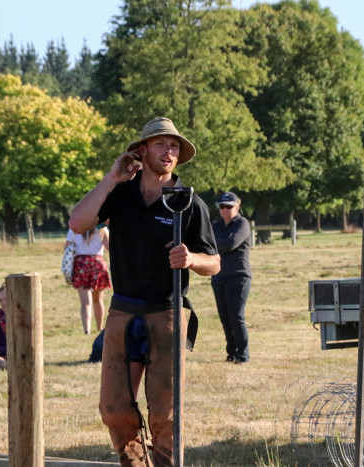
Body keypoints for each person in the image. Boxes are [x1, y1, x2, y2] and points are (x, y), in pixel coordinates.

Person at [69, 117, 220, 467]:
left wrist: (192, 258)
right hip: (123, 311)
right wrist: (111, 178)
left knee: (166, 413)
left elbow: (215, 263)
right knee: (112, 407)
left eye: (175, 146)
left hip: (167, 311)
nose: (169, 151)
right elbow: (78, 222)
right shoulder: (120, 193)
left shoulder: (189, 202)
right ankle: (136, 464)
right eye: (160, 144)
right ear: (142, 150)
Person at [211, 191, 252, 364]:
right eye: (222, 206)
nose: (225, 209)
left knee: (236, 316)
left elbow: (230, 243)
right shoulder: (216, 225)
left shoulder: (242, 224)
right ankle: (232, 353)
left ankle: (243, 356)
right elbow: (206, 242)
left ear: (237, 207)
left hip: (238, 276)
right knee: (225, 318)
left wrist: (214, 243)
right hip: (218, 276)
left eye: (229, 206)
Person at [64, 226, 111, 334]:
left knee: (85, 302)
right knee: (98, 300)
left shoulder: (75, 228)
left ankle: (87, 330)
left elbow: (67, 248)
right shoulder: (102, 229)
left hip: (80, 265)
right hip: (97, 263)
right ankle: (99, 328)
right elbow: (109, 248)